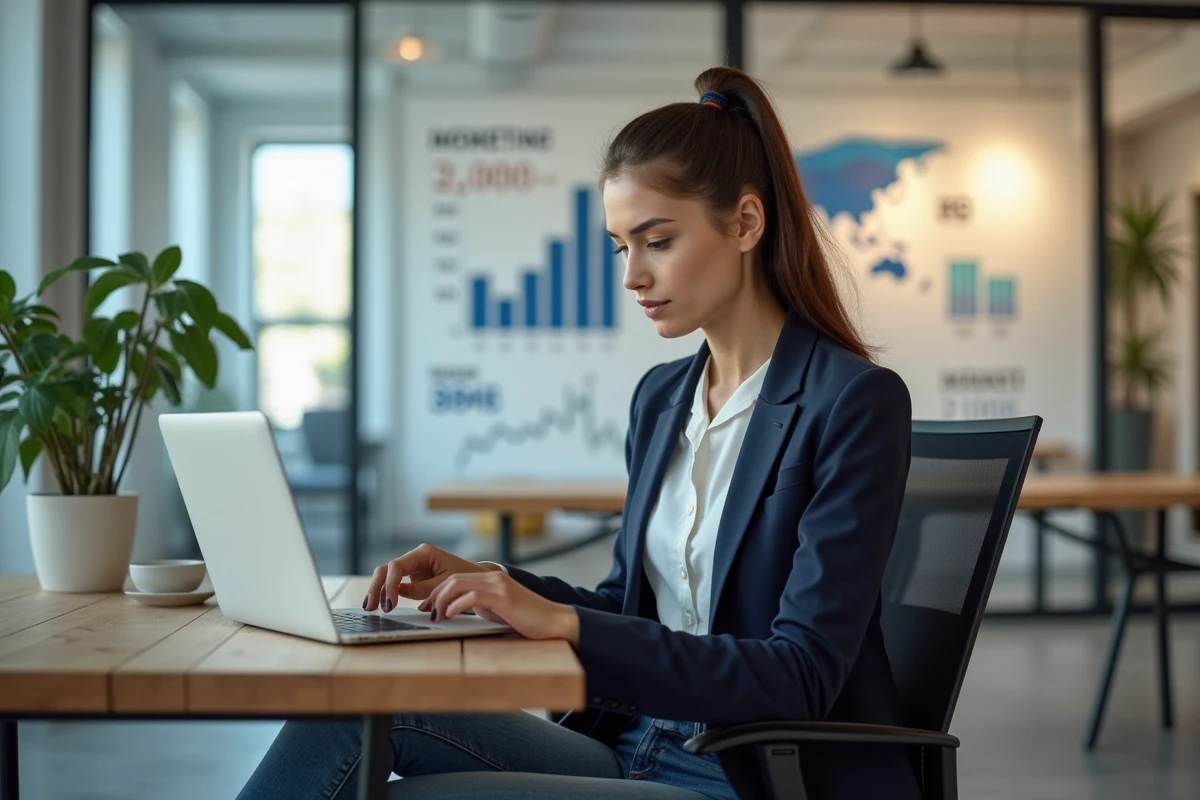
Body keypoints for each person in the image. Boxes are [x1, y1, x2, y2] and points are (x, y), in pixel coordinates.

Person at [237, 65, 920, 800]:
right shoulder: (663, 397)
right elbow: (630, 603)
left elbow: (800, 674)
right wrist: (496, 584)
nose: (632, 275)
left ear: (747, 223)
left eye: (656, 241)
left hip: (747, 774)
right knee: (352, 711)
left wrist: (559, 620)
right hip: (633, 742)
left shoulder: (852, 402)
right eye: (621, 246)